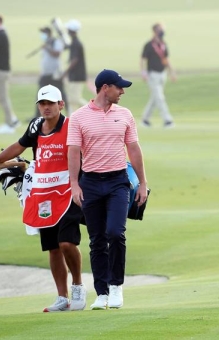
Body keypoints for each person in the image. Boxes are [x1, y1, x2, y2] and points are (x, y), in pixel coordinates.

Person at [0, 85, 87, 312]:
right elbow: (19, 146)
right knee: (53, 248)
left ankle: (78, 285)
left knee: (67, 242)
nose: (46, 107)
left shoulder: (71, 126)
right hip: (43, 193)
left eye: (51, 103)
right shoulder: (35, 126)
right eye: (42, 103)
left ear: (61, 104)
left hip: (69, 192)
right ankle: (62, 296)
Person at [68, 69, 148, 310]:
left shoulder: (125, 114)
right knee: (97, 240)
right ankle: (101, 293)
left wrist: (143, 183)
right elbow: (73, 152)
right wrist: (74, 185)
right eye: (118, 87)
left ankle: (116, 287)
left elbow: (133, 149)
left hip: (118, 182)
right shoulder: (79, 117)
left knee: (115, 232)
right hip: (90, 183)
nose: (122, 91)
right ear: (105, 88)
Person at [140, 23, 176, 128]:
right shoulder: (149, 45)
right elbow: (142, 59)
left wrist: (171, 71)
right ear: (155, 31)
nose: (162, 32)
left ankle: (145, 119)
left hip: (162, 74)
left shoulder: (163, 44)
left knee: (155, 98)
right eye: (161, 30)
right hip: (152, 74)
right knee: (159, 97)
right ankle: (167, 120)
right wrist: (143, 73)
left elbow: (166, 59)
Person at [34, 27, 67, 119]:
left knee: (62, 94)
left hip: (55, 74)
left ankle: (69, 112)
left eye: (43, 33)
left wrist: (47, 48)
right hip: (45, 74)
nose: (42, 35)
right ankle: (37, 116)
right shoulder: (47, 43)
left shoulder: (56, 42)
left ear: (48, 33)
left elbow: (57, 54)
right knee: (40, 94)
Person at [62, 19, 88, 114]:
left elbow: (74, 60)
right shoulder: (74, 42)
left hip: (77, 76)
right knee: (72, 99)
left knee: (74, 99)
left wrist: (65, 73)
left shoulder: (76, 43)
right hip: (75, 75)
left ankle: (95, 110)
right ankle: (73, 118)